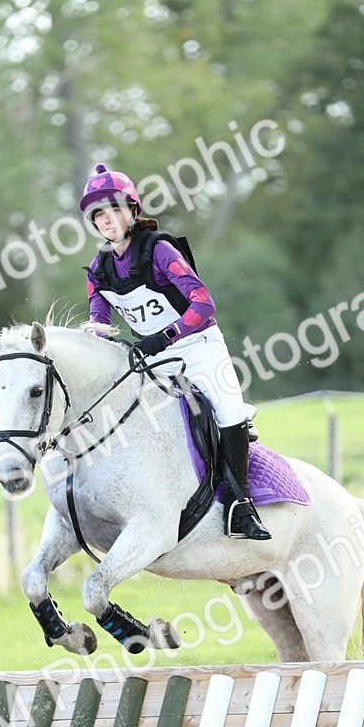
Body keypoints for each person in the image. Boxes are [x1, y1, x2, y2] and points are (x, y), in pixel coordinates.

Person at [80, 162, 271, 542]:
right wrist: (90, 341)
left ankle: (240, 505)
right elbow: (99, 321)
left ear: (132, 211)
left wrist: (164, 336)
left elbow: (203, 305)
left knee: (229, 411)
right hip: (154, 359)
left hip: (197, 346)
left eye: (114, 209)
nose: (106, 219)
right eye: (98, 214)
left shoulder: (159, 249)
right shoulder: (98, 269)